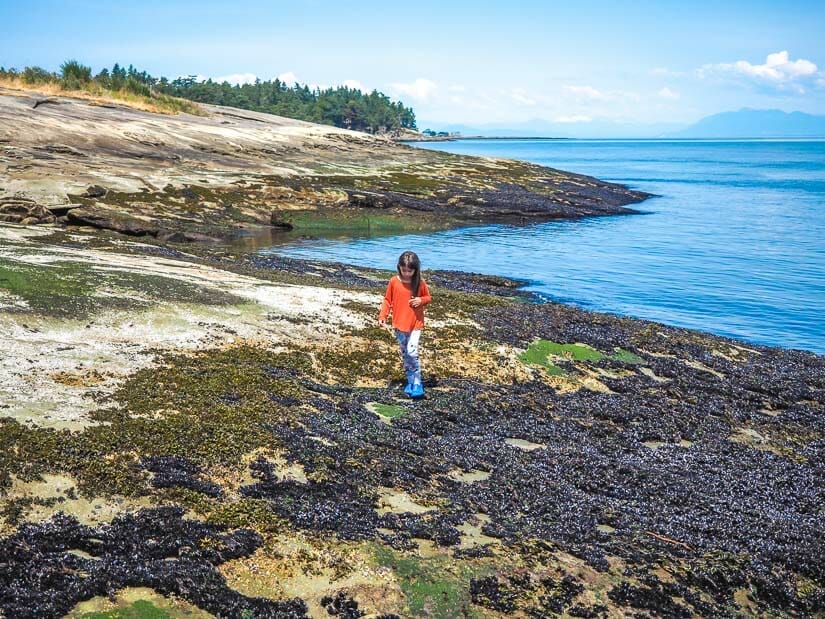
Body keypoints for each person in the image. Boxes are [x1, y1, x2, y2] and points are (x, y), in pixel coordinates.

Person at [378, 251, 432, 398]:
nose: (407, 273)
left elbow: (428, 297)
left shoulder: (419, 282)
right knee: (405, 354)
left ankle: (417, 383)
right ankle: (410, 381)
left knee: (412, 352)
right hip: (399, 325)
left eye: (410, 270)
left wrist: (421, 301)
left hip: (415, 324)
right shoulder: (394, 281)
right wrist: (383, 316)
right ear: (399, 267)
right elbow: (387, 300)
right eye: (404, 270)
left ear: (416, 270)